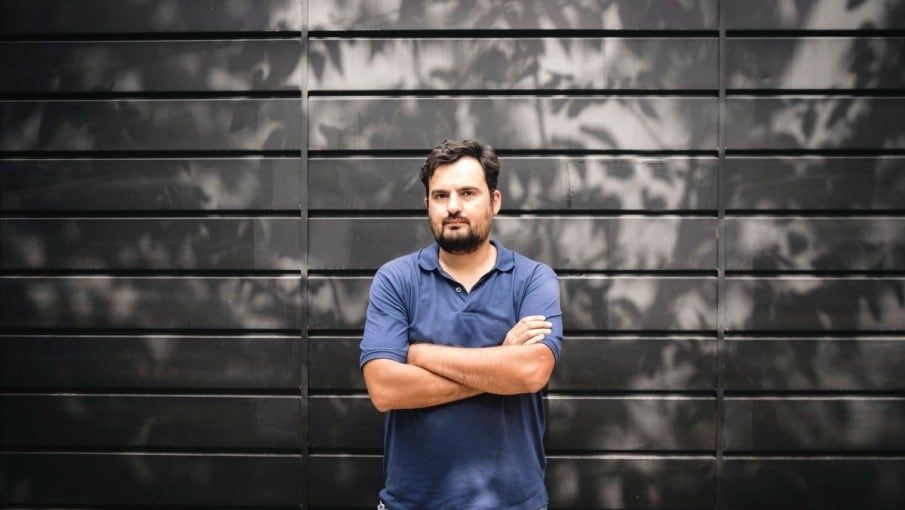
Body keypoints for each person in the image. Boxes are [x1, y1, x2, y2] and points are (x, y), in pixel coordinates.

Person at [359, 139, 564, 509]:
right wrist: (500, 364)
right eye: (440, 196)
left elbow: (531, 371)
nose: (453, 206)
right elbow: (385, 389)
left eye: (467, 193)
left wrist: (420, 354)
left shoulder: (533, 279)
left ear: (495, 201)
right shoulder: (396, 280)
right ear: (427, 204)